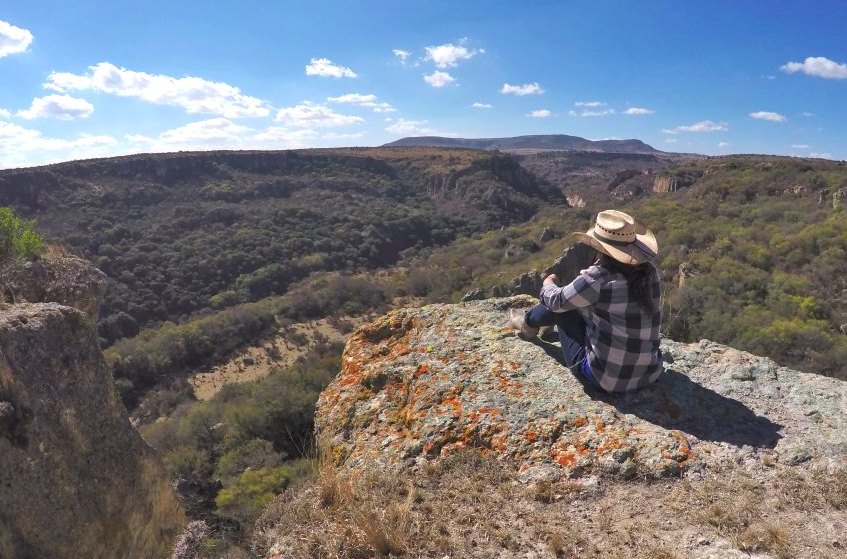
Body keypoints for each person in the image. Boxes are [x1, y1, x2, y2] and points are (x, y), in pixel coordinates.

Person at [508, 210, 663, 393]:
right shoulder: (650, 272)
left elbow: (557, 302)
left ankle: (528, 324)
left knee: (562, 304)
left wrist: (548, 284)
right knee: (573, 299)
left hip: (604, 379)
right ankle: (536, 324)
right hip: (651, 372)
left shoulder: (597, 278)